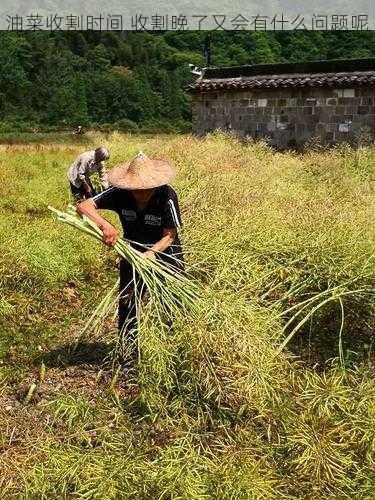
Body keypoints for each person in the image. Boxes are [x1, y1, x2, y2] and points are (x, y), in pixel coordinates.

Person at [77, 152, 183, 354]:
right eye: (135, 189)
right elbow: (83, 206)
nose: (140, 193)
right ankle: (127, 350)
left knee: (168, 303)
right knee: (128, 302)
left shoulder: (167, 196)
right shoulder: (120, 193)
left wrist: (151, 254)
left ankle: (168, 350)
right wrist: (105, 225)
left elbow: (170, 236)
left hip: (165, 255)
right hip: (132, 253)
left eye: (144, 189)